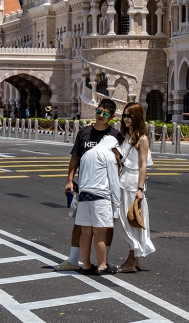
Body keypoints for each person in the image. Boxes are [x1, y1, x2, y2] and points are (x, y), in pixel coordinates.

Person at [59, 98, 120, 271]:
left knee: (106, 226)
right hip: (85, 185)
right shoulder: (84, 132)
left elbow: (120, 163)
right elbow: (75, 157)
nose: (101, 115)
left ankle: (102, 260)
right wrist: (70, 180)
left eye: (105, 113)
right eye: (99, 111)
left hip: (104, 188)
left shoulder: (115, 136)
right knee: (81, 225)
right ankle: (75, 259)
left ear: (112, 116)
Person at [116, 103, 154, 272]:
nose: (126, 119)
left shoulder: (142, 138)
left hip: (132, 185)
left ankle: (131, 261)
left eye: (129, 116)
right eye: (124, 116)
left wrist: (140, 189)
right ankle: (135, 259)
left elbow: (143, 166)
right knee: (125, 220)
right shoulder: (125, 136)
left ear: (136, 117)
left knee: (130, 220)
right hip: (122, 180)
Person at [76, 134, 121, 275]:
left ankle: (86, 266)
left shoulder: (86, 154)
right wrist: (117, 206)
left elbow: (81, 175)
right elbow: (113, 182)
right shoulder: (108, 155)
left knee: (85, 232)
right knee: (100, 232)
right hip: (100, 196)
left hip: (84, 195)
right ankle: (102, 265)